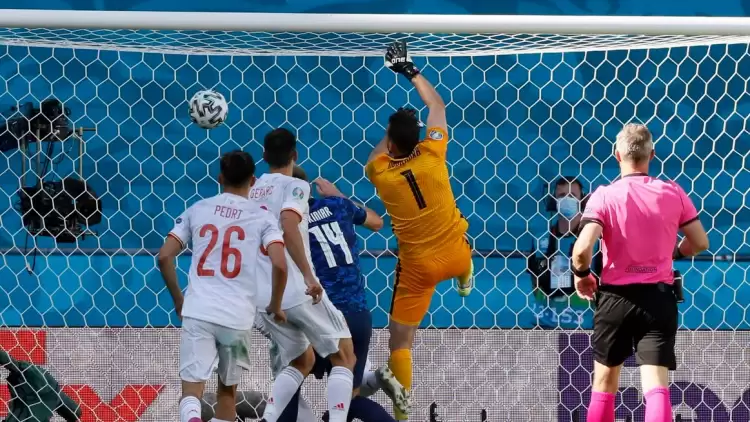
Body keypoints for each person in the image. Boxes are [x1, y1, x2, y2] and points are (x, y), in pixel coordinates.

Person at [365, 40, 473, 421]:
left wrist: (394, 129)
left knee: (400, 341)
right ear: (419, 137)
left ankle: (403, 413)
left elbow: (375, 156)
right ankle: (465, 277)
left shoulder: (380, 174)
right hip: (457, 252)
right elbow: (438, 106)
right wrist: (409, 70)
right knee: (460, 230)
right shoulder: (433, 154)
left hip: (420, 270)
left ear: (391, 143)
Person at [571, 123, 709, 422]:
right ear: (652, 155)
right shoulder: (673, 192)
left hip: (615, 300)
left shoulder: (604, 196)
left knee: (604, 385)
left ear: (617, 155)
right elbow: (700, 242)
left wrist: (581, 274)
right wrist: (672, 253)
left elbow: (581, 251)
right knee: (656, 387)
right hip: (658, 300)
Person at [158, 150, 289, 422]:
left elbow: (164, 256)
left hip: (199, 311)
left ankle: (192, 418)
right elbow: (279, 263)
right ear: (253, 181)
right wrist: (276, 304)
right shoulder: (262, 217)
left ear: (220, 178)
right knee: (227, 393)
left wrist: (179, 300)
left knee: (192, 391)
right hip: (237, 319)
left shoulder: (198, 209)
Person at [248, 128, 356, 422]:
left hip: (262, 296)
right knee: (345, 355)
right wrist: (309, 276)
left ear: (264, 156)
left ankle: (269, 418)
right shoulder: (296, 185)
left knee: (302, 359)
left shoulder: (252, 188)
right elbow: (288, 222)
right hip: (295, 288)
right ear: (295, 155)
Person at [272, 167, 395, 422]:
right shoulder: (339, 205)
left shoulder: (287, 223)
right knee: (347, 401)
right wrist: (340, 195)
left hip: (318, 315)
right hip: (358, 315)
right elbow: (377, 222)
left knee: (290, 382)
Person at [527, 176, 600, 328]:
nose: (567, 200)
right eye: (561, 195)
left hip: (584, 326)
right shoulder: (540, 239)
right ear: (553, 200)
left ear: (582, 200)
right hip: (545, 325)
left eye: (572, 196)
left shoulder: (595, 240)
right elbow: (534, 282)